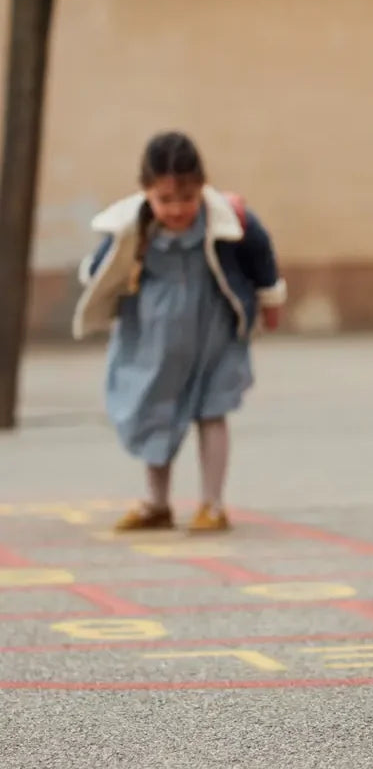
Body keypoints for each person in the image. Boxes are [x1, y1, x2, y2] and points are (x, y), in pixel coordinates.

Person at [73, 131, 286, 533]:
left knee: (213, 409)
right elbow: (102, 267)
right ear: (146, 192)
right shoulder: (131, 226)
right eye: (165, 199)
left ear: (202, 186)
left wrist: (269, 301)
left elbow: (262, 257)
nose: (176, 209)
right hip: (153, 335)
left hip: (213, 332)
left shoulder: (227, 218)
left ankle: (213, 503)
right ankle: (157, 501)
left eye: (187, 198)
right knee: (155, 409)